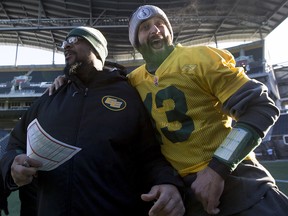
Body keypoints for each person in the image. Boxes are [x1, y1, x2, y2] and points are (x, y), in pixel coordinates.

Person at [49, 6, 288, 216]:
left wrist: (217, 168)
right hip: (184, 195)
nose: (155, 30)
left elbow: (261, 107)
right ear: (136, 42)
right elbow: (97, 79)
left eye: (160, 23)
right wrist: (68, 79)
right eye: (145, 28)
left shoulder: (201, 58)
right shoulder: (133, 81)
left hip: (237, 180)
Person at [0, 26, 185, 216]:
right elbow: (15, 144)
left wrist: (166, 182)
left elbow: (150, 156)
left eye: (74, 41)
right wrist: (12, 165)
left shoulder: (129, 96)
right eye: (64, 43)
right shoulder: (49, 97)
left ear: (96, 48)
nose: (66, 47)